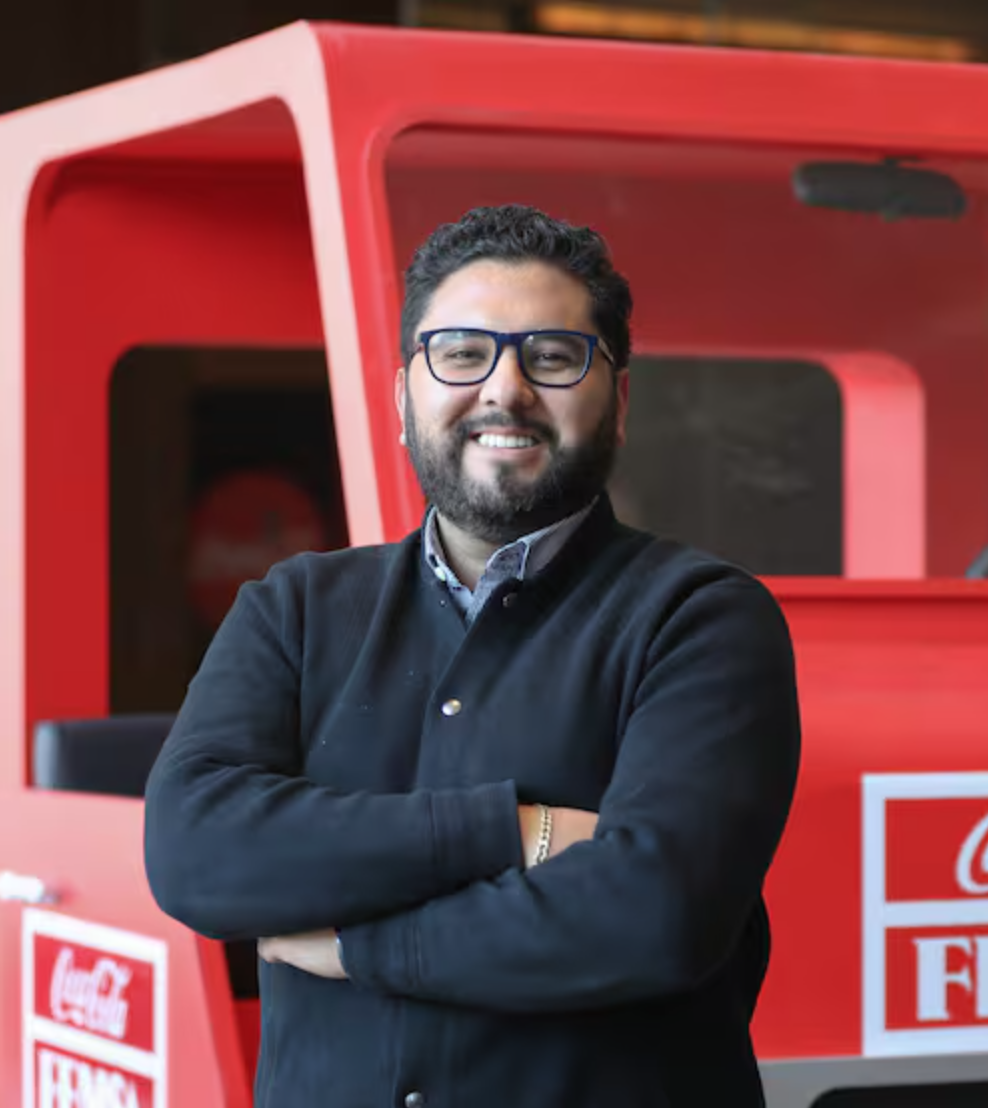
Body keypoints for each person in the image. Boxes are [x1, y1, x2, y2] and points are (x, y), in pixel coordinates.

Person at [144, 203, 803, 1108]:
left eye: (553, 356)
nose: (505, 389)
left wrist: (358, 946)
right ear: (402, 402)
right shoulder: (292, 609)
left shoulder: (702, 619)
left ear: (618, 405)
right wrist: (516, 831)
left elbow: (654, 914)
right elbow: (195, 851)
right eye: (461, 353)